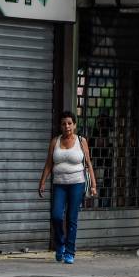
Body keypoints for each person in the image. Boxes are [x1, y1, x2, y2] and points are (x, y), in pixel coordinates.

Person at [38, 111, 97, 265]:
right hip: (59, 184)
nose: (67, 126)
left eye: (70, 123)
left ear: (75, 125)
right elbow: (49, 164)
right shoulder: (55, 141)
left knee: (71, 218)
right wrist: (42, 182)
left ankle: (70, 252)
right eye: (64, 123)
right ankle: (60, 245)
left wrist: (93, 185)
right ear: (60, 126)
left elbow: (88, 163)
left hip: (77, 183)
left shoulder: (81, 141)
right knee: (56, 216)